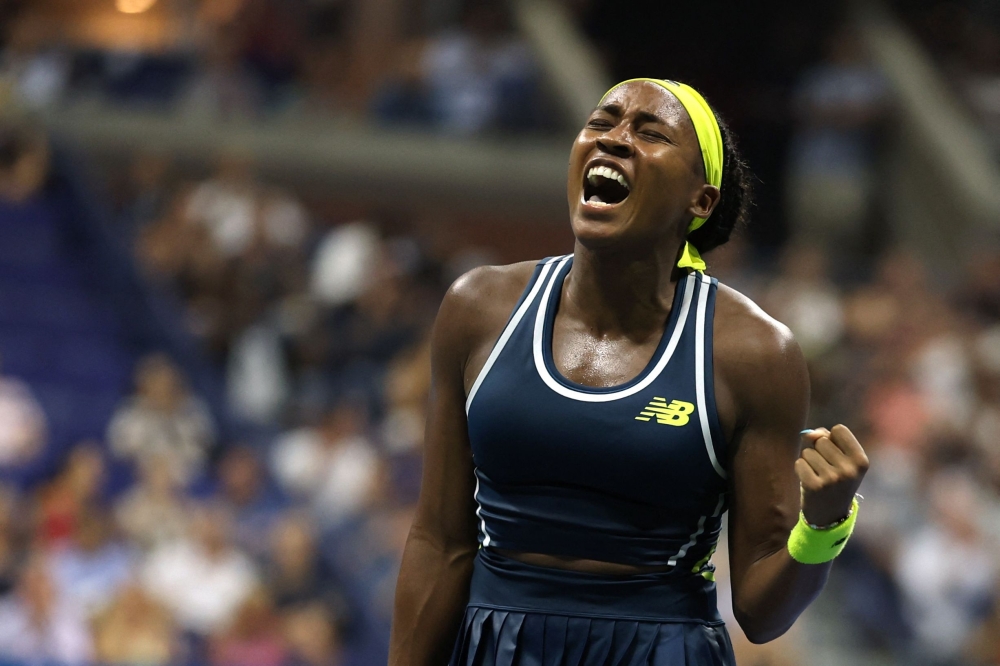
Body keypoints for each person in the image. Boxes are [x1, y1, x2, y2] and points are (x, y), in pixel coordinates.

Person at [389, 78, 870, 666]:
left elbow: (760, 613)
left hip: (661, 649)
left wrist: (824, 526)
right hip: (497, 646)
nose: (613, 140)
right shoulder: (478, 306)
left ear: (702, 201)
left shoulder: (755, 353)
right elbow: (439, 542)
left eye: (650, 133)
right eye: (601, 122)